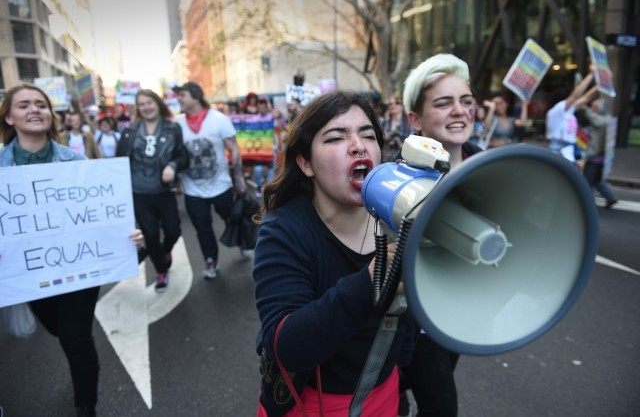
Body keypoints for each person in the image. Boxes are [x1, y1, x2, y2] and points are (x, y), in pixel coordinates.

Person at [253, 91, 404, 416]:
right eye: (336, 137)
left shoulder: (399, 218)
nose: (358, 145)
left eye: (368, 135)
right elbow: (287, 346)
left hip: (382, 395)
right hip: (314, 406)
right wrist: (372, 279)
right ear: (305, 163)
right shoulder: (284, 231)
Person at [0, 84, 143, 417]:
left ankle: (86, 404)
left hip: (78, 266)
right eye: (24, 105)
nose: (34, 110)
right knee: (58, 329)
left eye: (41, 104)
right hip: (32, 271)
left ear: (51, 114)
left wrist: (124, 235)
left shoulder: (76, 161)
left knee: (76, 336)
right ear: (9, 116)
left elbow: (99, 211)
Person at [401, 53, 484, 416]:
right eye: (444, 103)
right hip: (414, 319)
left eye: (466, 102)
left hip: (460, 306)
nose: (459, 111)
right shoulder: (397, 176)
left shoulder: (493, 168)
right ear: (415, 120)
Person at [173, 81, 247, 279]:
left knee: (232, 218)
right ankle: (210, 260)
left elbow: (233, 149)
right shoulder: (177, 124)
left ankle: (242, 241)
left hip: (221, 184)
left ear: (195, 96)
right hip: (192, 189)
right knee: (202, 228)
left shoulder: (219, 119)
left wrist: (238, 177)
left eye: (183, 95)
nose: (179, 99)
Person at [116, 89, 188, 292]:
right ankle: (161, 269)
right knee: (151, 234)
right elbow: (118, 163)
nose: (146, 107)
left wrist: (172, 166)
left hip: (163, 192)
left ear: (158, 104)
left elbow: (183, 157)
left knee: (174, 231)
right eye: (142, 104)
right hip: (138, 194)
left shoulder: (173, 129)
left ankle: (166, 251)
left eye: (150, 102)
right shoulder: (129, 132)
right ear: (138, 108)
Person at [575, 86, 618, 208]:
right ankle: (610, 197)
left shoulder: (602, 120)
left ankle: (588, 205)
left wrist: (582, 105)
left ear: (599, 110)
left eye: (594, 107)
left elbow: (594, 119)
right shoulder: (608, 119)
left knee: (587, 182)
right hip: (602, 157)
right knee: (597, 180)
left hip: (594, 157)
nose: (592, 109)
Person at [545, 72, 594, 163]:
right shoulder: (557, 110)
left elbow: (586, 98)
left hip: (568, 151)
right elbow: (575, 96)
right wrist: (591, 74)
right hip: (559, 151)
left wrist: (602, 84)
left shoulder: (568, 111)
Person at [380, 94, 412, 162]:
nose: (393, 105)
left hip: (402, 160)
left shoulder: (410, 123)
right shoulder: (383, 121)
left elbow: (413, 143)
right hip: (385, 159)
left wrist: (400, 143)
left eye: (397, 103)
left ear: (402, 106)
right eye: (391, 103)